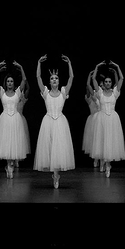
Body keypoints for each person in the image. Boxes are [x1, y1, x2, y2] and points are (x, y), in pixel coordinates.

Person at [33, 54, 75, 188]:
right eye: (52, 78)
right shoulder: (45, 92)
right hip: (48, 121)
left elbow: (71, 78)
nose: (54, 79)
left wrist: (69, 63)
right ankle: (54, 174)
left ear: (58, 80)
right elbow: (38, 78)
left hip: (60, 122)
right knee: (50, 147)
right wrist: (39, 63)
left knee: (59, 148)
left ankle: (56, 175)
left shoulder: (63, 92)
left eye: (56, 78)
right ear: (50, 82)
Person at [0, 60, 28, 178]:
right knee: (7, 141)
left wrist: (21, 67)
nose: (9, 83)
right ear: (6, 83)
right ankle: (8, 165)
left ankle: (11, 164)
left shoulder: (18, 93)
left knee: (14, 141)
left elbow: (24, 80)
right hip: (5, 119)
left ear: (14, 83)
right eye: (8, 81)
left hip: (15, 119)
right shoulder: (2, 92)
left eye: (11, 81)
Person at [90, 60, 125, 177]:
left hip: (112, 119)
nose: (108, 83)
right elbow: (94, 80)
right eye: (106, 81)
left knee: (110, 141)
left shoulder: (115, 92)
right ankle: (102, 161)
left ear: (111, 83)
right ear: (104, 83)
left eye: (110, 81)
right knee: (102, 140)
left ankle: (108, 164)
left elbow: (121, 79)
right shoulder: (99, 92)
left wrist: (117, 66)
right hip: (102, 119)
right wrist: (97, 66)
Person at [82, 70, 100, 167]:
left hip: (101, 119)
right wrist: (90, 76)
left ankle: (101, 159)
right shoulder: (91, 98)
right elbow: (88, 87)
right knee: (93, 140)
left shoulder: (100, 97)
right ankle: (95, 159)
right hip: (93, 120)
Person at [16, 78, 31, 167]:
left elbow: (28, 89)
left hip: (21, 119)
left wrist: (25, 80)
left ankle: (18, 158)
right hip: (13, 118)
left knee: (21, 139)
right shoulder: (14, 96)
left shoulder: (22, 97)